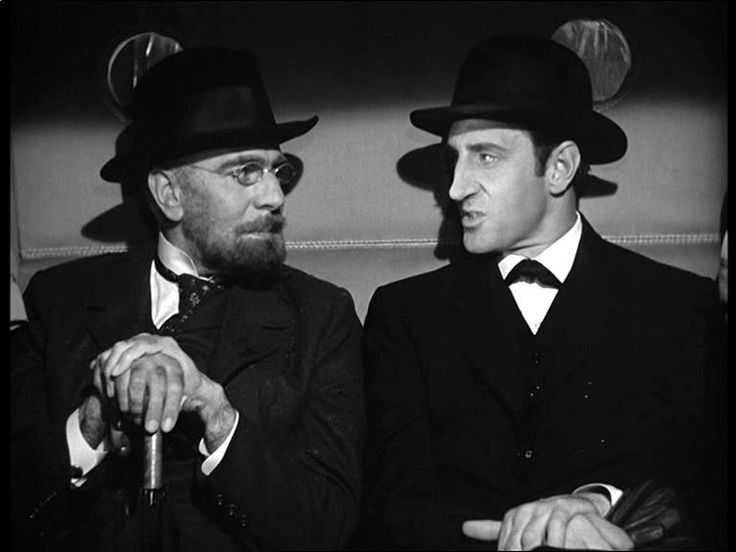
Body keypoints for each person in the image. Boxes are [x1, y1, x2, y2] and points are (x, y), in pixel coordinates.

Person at [354, 34, 725, 550]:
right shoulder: (405, 315)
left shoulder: (681, 307)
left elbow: (702, 482)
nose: (456, 188)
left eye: (486, 157)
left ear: (560, 168)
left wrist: (602, 503)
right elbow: (392, 505)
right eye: (453, 160)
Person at [11, 48, 364, 551]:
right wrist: (91, 425)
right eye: (245, 172)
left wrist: (217, 415)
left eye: (278, 172)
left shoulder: (322, 316)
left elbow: (330, 528)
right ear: (168, 194)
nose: (275, 197)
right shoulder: (57, 300)